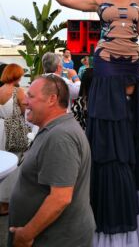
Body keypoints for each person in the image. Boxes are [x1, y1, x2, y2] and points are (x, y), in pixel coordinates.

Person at [18, 0, 139, 246]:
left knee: (126, 128)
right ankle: (104, 195)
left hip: (130, 67)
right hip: (105, 65)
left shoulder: (137, 0)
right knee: (107, 127)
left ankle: (125, 190)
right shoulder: (99, 1)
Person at [8, 75, 95, 246]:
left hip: (57, 239)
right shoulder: (54, 129)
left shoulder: (60, 137)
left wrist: (26, 234)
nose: (25, 101)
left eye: (31, 96)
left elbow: (60, 198)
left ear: (52, 99)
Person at [0, 64, 26, 217]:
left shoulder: (0, 90)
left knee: (2, 162)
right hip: (13, 127)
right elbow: (23, 111)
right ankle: (5, 202)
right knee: (13, 163)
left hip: (0, 126)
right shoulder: (18, 91)